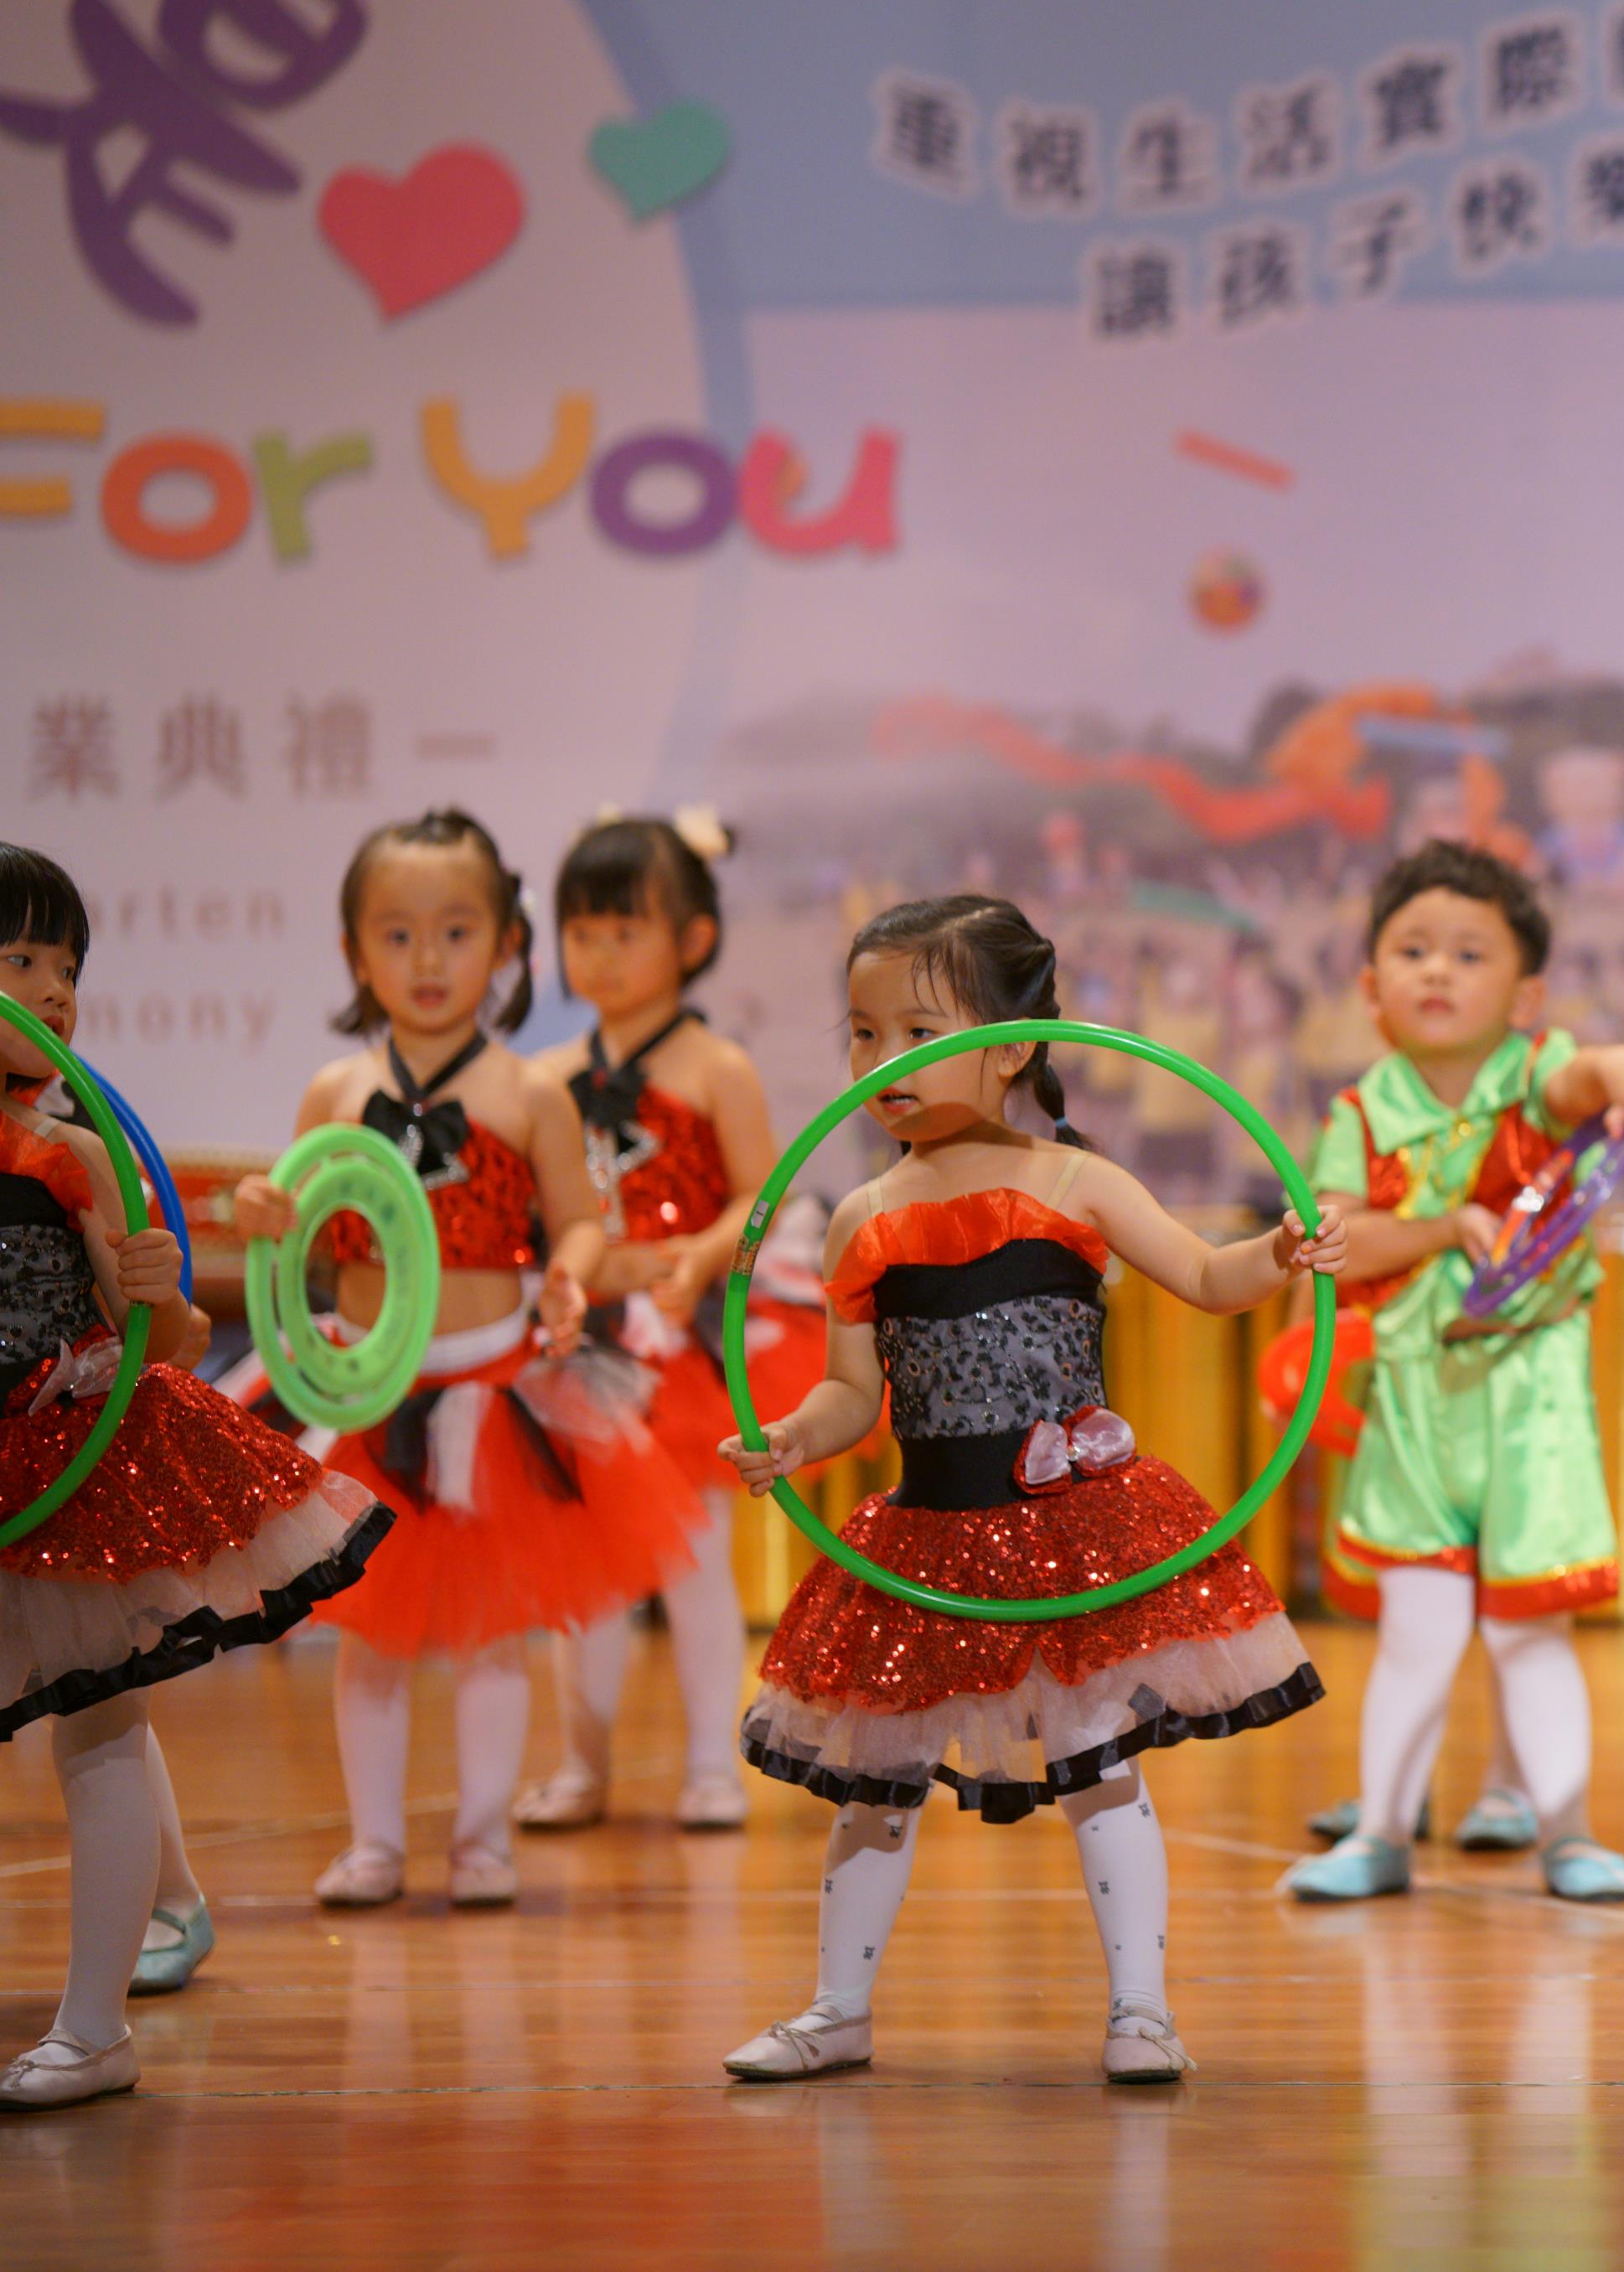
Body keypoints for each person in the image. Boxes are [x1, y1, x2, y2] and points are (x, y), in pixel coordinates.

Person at [718, 896, 1337, 2084]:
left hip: (1069, 1533)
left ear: (1009, 1047)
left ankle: (1142, 2008)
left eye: (917, 1033)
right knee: (875, 1783)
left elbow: (1207, 1276)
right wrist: (791, 1437)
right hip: (929, 1540)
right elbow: (852, 1392)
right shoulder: (862, 1215)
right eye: (862, 1033)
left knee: (1099, 1766)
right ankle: (837, 2008)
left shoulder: (1075, 1180)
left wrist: (1279, 1252)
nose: (882, 1061)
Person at [234, 810, 708, 1913]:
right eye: (396, 934)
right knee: (372, 1637)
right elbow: (294, 1223)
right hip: (366, 1396)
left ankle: (483, 1839)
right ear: (355, 951)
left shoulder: (528, 1092)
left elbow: (578, 1219)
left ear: (505, 945)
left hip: (493, 1399)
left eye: (456, 931)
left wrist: (570, 1274)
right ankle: (375, 1843)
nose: (428, 958)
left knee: (492, 1637)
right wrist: (261, 1211)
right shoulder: (334, 1092)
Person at [0, 845, 390, 2107]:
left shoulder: (70, 1154)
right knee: (84, 1700)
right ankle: (168, 1904)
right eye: (22, 959)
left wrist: (159, 1292)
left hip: (66, 1459)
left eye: (69, 967)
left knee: (98, 1716)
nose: (54, 992)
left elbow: (155, 1348)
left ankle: (93, 2025)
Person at [1283, 843, 1624, 1908]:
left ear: (1526, 993)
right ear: (1370, 984)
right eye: (1413, 949)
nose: (1438, 970)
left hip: (1528, 1394)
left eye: (1469, 953)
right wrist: (1443, 1223)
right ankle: (1381, 1832)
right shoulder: (1360, 1111)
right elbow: (1336, 1244)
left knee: (1526, 1628)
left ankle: (1567, 1830)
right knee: (1416, 1630)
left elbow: (1581, 1081)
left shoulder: (1534, 1071)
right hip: (1413, 1397)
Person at [515, 812, 768, 1835]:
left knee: (695, 1563)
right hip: (583, 1345)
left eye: (627, 930)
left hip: (680, 1346)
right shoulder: (544, 1076)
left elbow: (760, 1196)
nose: (603, 954)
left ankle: (712, 1763)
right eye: (584, 932)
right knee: (585, 1574)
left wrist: (702, 1253)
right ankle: (583, 1763)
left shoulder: (717, 1065)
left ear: (693, 938)